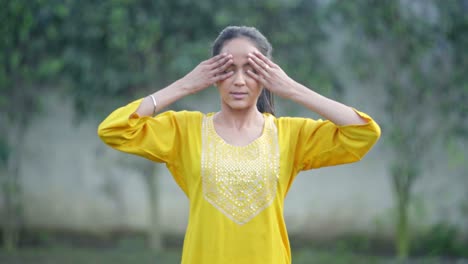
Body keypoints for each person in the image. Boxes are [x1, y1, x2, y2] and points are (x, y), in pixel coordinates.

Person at [98, 25, 381, 264]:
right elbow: (115, 129)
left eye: (251, 69)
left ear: (268, 75)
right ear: (211, 74)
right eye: (228, 69)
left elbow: (362, 133)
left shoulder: (291, 135)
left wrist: (292, 88)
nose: (239, 81)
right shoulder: (184, 131)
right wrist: (184, 85)